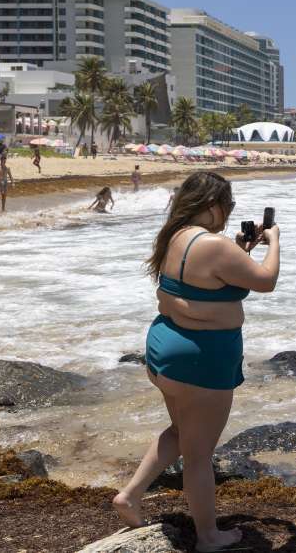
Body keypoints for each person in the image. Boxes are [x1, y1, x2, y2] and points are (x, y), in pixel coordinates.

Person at [112, 171, 280, 550]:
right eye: (229, 204)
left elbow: (211, 278)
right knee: (200, 454)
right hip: (201, 359)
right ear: (211, 205)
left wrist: (241, 249)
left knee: (181, 432)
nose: (230, 210)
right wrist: (275, 241)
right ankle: (208, 536)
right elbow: (266, 281)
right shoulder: (215, 246)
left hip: (164, 348)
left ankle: (130, 496)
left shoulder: (175, 236)